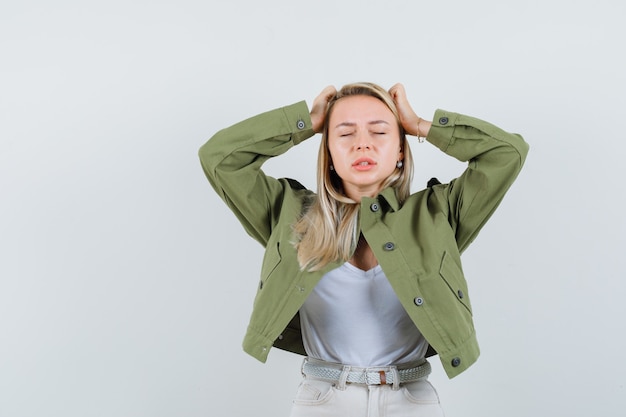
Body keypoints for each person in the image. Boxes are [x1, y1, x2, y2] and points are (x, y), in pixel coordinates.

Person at [199, 82, 528, 416]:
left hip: (412, 401)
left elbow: (507, 154)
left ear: (400, 149)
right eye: (345, 134)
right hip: (323, 400)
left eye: (379, 132)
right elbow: (220, 158)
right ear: (328, 152)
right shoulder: (290, 215)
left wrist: (421, 126)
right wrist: (304, 123)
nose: (362, 144)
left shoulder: (437, 214)